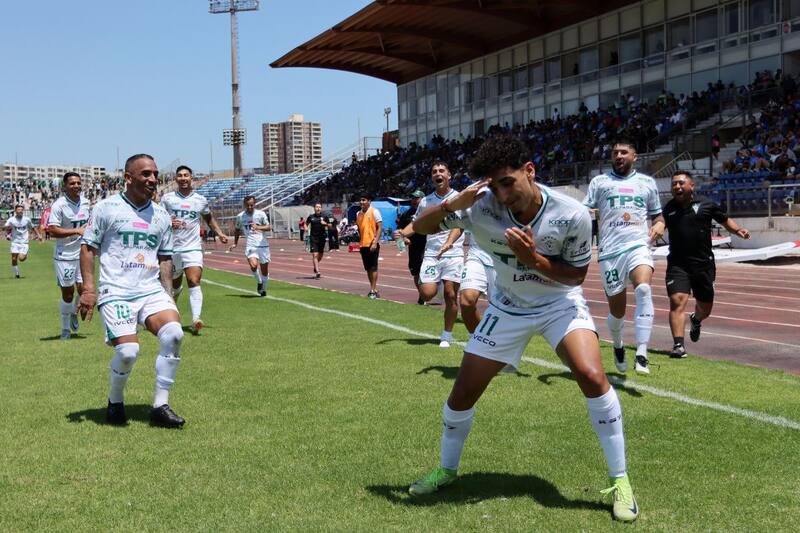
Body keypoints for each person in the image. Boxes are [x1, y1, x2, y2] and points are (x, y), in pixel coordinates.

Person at [407, 135, 638, 522]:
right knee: (462, 393)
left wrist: (534, 260)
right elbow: (419, 226)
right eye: (494, 186)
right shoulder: (479, 206)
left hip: (558, 304)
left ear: (529, 171)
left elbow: (577, 277)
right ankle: (446, 470)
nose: (501, 194)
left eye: (507, 182)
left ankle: (620, 480)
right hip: (508, 307)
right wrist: (452, 204)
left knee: (591, 375)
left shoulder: (572, 214)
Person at [78, 154, 185, 428]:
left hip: (150, 290)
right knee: (128, 352)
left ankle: (160, 406)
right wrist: (89, 289)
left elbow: (164, 257)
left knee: (174, 334)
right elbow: (88, 247)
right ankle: (115, 401)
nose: (153, 179)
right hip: (116, 290)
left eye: (155, 174)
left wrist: (169, 296)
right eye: (146, 174)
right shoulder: (106, 208)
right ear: (128, 178)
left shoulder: (161, 215)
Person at [582, 139, 664, 375]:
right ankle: (618, 345)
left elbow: (658, 216)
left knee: (644, 289)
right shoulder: (600, 182)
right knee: (617, 311)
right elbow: (584, 210)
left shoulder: (647, 183)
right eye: (615, 152)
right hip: (610, 252)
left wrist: (660, 224)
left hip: (638, 245)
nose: (618, 156)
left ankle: (642, 353)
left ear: (634, 157)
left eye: (623, 152)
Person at [663, 171, 751, 358]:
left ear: (691, 186)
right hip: (678, 264)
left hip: (703, 265)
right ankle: (678, 345)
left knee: (705, 307)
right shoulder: (668, 208)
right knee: (677, 300)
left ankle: (696, 320)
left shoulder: (706, 204)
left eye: (681, 183)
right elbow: (660, 224)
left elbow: (725, 220)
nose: (677, 187)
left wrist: (738, 230)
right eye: (674, 184)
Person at [395, 162, 464, 348]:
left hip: (453, 253)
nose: (438, 174)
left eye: (442, 171)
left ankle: (446, 335)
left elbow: (459, 225)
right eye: (434, 172)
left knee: (451, 295)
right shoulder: (426, 201)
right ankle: (439, 286)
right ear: (432, 177)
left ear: (449, 175)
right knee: (426, 295)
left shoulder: (458, 198)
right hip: (432, 253)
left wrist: (449, 242)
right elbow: (416, 224)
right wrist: (402, 233)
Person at [161, 165, 229, 333]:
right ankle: (174, 303)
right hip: (172, 248)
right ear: (176, 179)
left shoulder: (200, 200)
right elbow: (158, 218)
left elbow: (208, 218)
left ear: (191, 178)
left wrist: (220, 233)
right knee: (174, 285)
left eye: (186, 175)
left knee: (194, 280)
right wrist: (168, 222)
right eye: (180, 175)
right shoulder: (167, 198)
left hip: (193, 248)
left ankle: (196, 319)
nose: (183, 178)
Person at [47, 172, 91, 340]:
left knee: (84, 289)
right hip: (64, 255)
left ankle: (74, 312)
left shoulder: (86, 202)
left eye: (78, 183)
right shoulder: (59, 205)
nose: (76, 186)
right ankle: (65, 329)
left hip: (82, 253)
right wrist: (76, 231)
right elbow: (52, 230)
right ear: (65, 186)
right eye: (72, 183)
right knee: (68, 294)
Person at [230, 195, 271, 297]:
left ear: (254, 204)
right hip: (251, 245)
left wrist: (258, 227)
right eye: (247, 205)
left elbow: (269, 227)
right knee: (253, 266)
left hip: (263, 245)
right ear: (244, 205)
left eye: (251, 205)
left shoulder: (261, 214)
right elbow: (237, 230)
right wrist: (235, 243)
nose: (249, 207)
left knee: (264, 270)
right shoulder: (240, 216)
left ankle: (263, 288)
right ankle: (259, 282)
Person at [396, 190, 427, 304]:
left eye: (417, 198)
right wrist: (403, 238)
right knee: (416, 272)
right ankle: (422, 295)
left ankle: (429, 293)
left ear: (423, 199)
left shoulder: (429, 212)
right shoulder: (406, 214)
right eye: (413, 198)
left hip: (428, 246)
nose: (414, 200)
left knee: (427, 271)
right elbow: (400, 230)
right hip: (414, 247)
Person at [355, 194, 382, 299]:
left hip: (372, 244)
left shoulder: (375, 211)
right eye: (360, 200)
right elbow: (360, 228)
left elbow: (379, 227)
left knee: (373, 267)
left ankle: (372, 291)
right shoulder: (358, 214)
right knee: (368, 268)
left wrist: (375, 242)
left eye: (364, 200)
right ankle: (374, 289)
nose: (361, 202)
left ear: (369, 201)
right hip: (363, 244)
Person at [4, 204, 42, 278]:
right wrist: (6, 228)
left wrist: (39, 235)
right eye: (19, 210)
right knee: (14, 258)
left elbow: (33, 227)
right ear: (15, 211)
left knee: (21, 258)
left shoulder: (27, 219)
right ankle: (17, 274)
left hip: (24, 242)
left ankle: (24, 255)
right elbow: (5, 227)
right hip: (15, 242)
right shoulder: (11, 220)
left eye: (21, 210)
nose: (20, 211)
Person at [306, 203, 330, 278]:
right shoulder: (311, 217)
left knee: (320, 255)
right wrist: (306, 228)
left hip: (322, 238)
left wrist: (325, 223)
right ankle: (317, 271)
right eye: (317, 207)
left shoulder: (325, 216)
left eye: (319, 207)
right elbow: (306, 224)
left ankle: (315, 266)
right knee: (315, 254)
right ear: (314, 208)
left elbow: (330, 226)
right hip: (313, 238)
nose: (318, 208)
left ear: (321, 209)